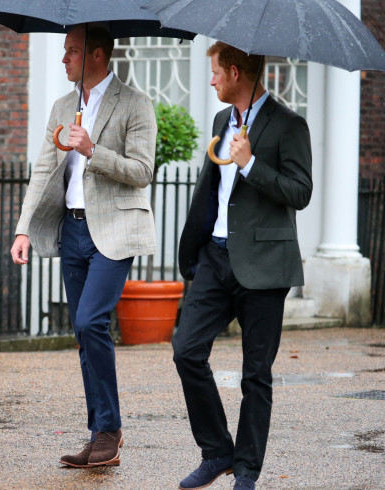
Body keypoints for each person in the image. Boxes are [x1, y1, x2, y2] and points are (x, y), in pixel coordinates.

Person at [10, 24, 157, 468]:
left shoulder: (136, 103)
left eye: (71, 51)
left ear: (96, 55)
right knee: (81, 332)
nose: (64, 59)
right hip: (70, 230)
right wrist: (21, 229)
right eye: (64, 51)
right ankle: (99, 434)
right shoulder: (62, 106)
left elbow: (143, 171)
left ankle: (110, 429)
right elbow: (42, 171)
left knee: (92, 321)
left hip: (112, 231)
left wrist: (94, 151)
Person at [173, 42, 313, 490]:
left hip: (266, 265)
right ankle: (217, 452)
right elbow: (214, 190)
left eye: (215, 72)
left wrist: (250, 162)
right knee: (186, 351)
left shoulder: (290, 125)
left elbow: (301, 192)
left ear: (235, 72)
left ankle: (247, 471)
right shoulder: (221, 121)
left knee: (256, 374)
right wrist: (193, 250)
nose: (211, 80)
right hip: (215, 257)